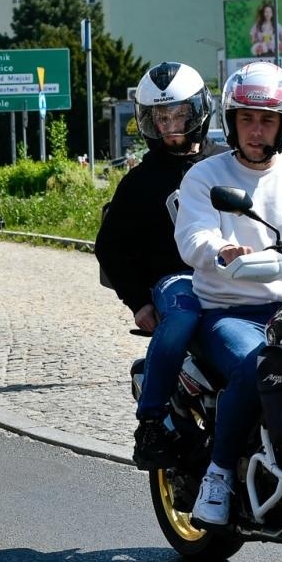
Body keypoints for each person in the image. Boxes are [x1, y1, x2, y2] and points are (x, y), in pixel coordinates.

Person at [173, 62, 282, 525]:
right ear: (231, 122)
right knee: (259, 367)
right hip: (231, 311)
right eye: (247, 119)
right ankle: (219, 474)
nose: (256, 130)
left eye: (267, 120)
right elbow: (192, 235)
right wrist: (222, 250)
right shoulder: (206, 176)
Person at [95, 62, 224, 469]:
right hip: (176, 281)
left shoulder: (228, 162)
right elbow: (111, 248)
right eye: (161, 117)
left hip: (236, 276)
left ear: (198, 111)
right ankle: (150, 419)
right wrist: (137, 301)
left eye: (179, 114)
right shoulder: (139, 181)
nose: (171, 126)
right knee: (183, 316)